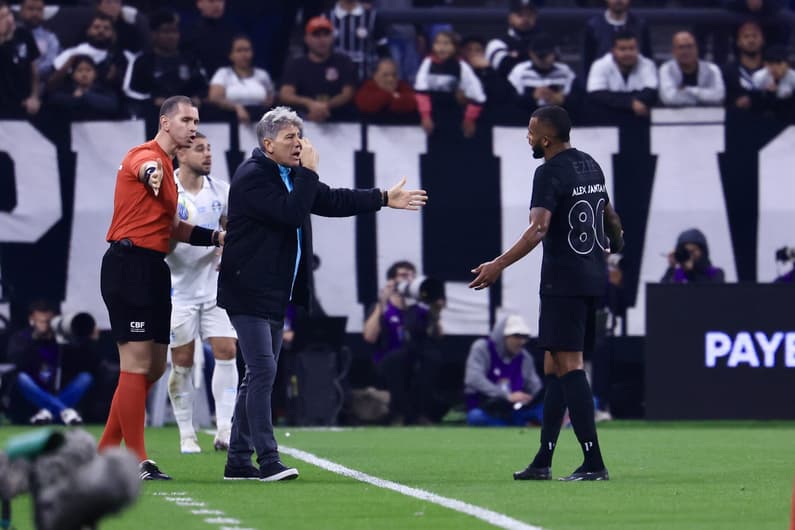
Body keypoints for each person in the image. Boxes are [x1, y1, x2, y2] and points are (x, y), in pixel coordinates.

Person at [217, 106, 427, 482]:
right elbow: (291, 213)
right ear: (268, 144)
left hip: (273, 291)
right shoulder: (252, 177)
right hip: (247, 289)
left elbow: (329, 201)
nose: (298, 144)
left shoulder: (290, 174)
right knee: (263, 371)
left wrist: (381, 197)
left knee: (256, 375)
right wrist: (309, 173)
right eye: (289, 139)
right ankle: (267, 460)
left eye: (300, 137)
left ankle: (237, 461)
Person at [469, 105, 623, 481]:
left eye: (531, 131)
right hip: (591, 278)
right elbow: (610, 217)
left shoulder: (548, 171)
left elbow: (539, 230)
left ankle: (593, 461)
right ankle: (543, 460)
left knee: (570, 367)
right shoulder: (590, 164)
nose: (528, 137)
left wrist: (498, 265)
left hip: (563, 281)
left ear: (546, 138)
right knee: (554, 367)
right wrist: (615, 245)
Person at [98, 95, 226, 481]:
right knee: (136, 365)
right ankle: (137, 459)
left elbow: (172, 229)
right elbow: (143, 167)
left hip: (154, 269)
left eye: (197, 120)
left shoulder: (169, 174)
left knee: (152, 367)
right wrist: (151, 174)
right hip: (128, 265)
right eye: (186, 119)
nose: (193, 125)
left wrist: (217, 237)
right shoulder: (146, 156)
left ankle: (103, 451)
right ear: (166, 122)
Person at [165, 131, 238, 454]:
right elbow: (162, 242)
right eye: (199, 149)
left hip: (213, 290)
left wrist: (226, 252)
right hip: (178, 290)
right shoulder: (171, 193)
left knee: (227, 351)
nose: (207, 155)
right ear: (180, 154)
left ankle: (224, 428)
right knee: (181, 362)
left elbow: (232, 228)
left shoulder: (221, 190)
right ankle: (186, 433)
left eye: (209, 149)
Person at [362, 260, 445, 425]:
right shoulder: (383, 307)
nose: (408, 279)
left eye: (412, 276)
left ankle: (420, 412)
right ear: (392, 280)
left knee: (432, 358)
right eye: (403, 275)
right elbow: (369, 337)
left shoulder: (419, 308)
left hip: (413, 358)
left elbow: (438, 335)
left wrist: (435, 310)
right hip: (388, 359)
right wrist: (382, 303)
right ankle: (399, 413)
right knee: (399, 359)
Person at [6, 300, 94, 426]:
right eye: (42, 321)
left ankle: (47, 413)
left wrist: (73, 341)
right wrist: (34, 341)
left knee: (85, 378)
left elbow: (83, 363)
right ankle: (64, 412)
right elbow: (16, 361)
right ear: (32, 319)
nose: (46, 325)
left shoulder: (62, 338)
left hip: (60, 389)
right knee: (21, 378)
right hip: (34, 390)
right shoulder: (22, 337)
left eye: (49, 321)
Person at [464, 314, 544, 427]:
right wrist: (506, 396)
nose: (521, 341)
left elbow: (535, 386)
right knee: (476, 417)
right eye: (516, 336)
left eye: (524, 337)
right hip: (488, 410)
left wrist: (529, 398)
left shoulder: (525, 358)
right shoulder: (482, 349)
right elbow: (473, 379)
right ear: (503, 336)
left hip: (515, 410)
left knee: (545, 409)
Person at [279, 16, 357, 122]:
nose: (322, 40)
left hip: (339, 119)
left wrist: (325, 106)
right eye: (316, 35)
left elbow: (347, 93)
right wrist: (309, 103)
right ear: (306, 38)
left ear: (332, 37)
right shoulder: (296, 64)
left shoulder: (343, 61)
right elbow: (285, 94)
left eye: (326, 35)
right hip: (303, 119)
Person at [414, 30, 486, 138]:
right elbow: (421, 92)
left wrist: (469, 119)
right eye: (437, 43)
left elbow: (478, 96)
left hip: (454, 120)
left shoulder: (461, 66)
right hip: (432, 120)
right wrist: (425, 116)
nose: (441, 47)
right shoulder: (427, 63)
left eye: (446, 43)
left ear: (455, 47)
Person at [208, 34, 275, 124]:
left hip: (259, 122)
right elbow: (214, 97)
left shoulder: (262, 74)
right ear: (231, 55)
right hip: (229, 121)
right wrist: (237, 107)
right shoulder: (223, 73)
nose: (244, 54)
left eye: (247, 50)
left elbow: (271, 97)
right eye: (239, 50)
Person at [582, 0, 652, 77]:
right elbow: (587, 63)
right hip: (601, 82)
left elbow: (648, 58)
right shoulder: (593, 26)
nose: (618, 0)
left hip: (636, 81)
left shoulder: (640, 25)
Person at [658, 31, 725, 107]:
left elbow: (718, 96)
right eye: (681, 47)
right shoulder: (666, 69)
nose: (686, 51)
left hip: (709, 116)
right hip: (674, 117)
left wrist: (688, 90)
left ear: (696, 49)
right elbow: (669, 98)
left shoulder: (712, 69)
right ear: (674, 51)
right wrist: (702, 98)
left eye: (690, 46)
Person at [0, 0, 41, 117]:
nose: (8, 20)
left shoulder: (24, 34)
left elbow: (34, 72)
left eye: (8, 14)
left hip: (25, 102)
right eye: (2, 17)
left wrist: (34, 96)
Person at [354, 57, 417, 123]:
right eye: (385, 75)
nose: (391, 79)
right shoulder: (367, 87)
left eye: (394, 75)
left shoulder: (403, 86)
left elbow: (413, 102)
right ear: (375, 76)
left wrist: (388, 100)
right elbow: (368, 105)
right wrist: (392, 95)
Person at [722, 20, 765, 111]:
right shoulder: (727, 72)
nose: (751, 40)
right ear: (738, 42)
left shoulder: (772, 70)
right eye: (746, 36)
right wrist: (735, 103)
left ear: (762, 40)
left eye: (755, 36)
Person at [660, 228, 726, 284]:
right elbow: (663, 293)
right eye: (686, 251)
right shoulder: (679, 273)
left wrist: (690, 272)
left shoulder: (714, 272)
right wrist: (671, 267)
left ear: (702, 251)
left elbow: (710, 293)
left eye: (693, 251)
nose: (690, 255)